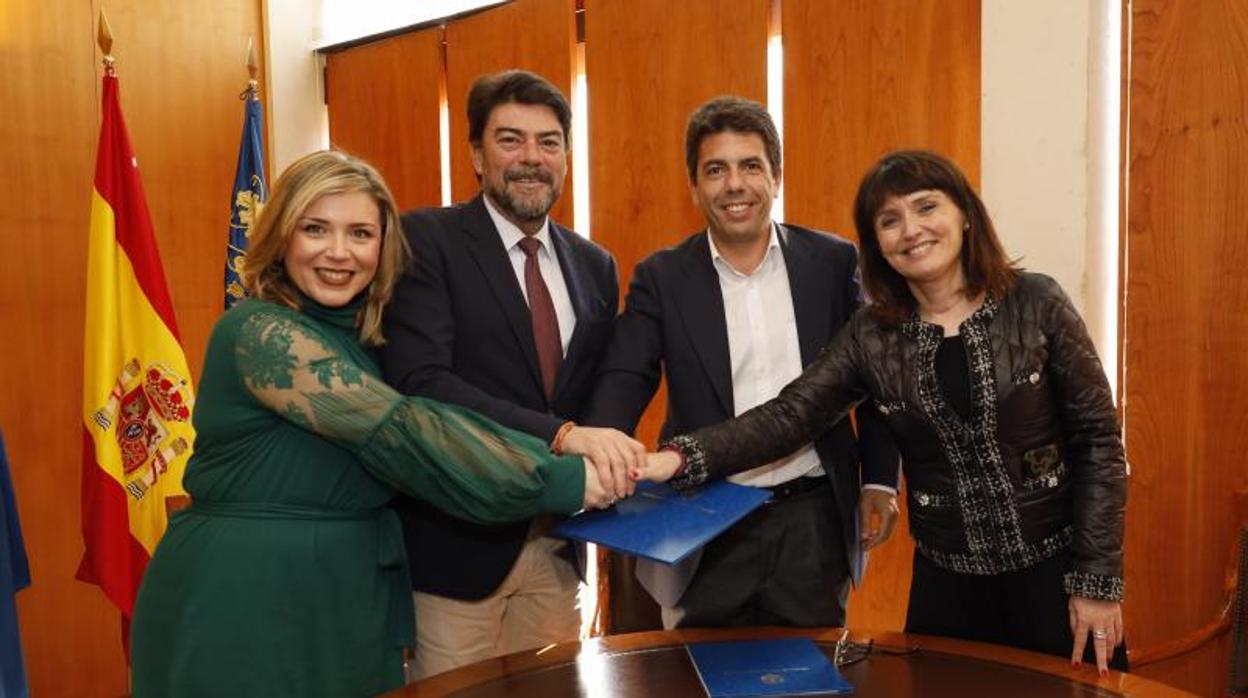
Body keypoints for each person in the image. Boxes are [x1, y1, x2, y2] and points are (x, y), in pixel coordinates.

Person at [130, 150, 613, 697]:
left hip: (347, 592)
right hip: (250, 594)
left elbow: (442, 411)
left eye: (361, 233)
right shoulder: (260, 332)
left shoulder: (363, 341)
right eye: (315, 229)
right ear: (281, 235)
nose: (339, 252)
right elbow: (405, 433)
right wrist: (569, 478)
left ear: (384, 248)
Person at [638, 150, 1128, 676]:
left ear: (964, 212)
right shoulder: (873, 336)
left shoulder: (1037, 302)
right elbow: (789, 416)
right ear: (878, 245)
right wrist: (679, 458)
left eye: (925, 207)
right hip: (947, 589)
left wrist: (1096, 581)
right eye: (890, 221)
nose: (911, 230)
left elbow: (1098, 441)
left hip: (1055, 578)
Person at [584, 96, 900, 629]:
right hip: (705, 523)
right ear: (694, 188)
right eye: (716, 170)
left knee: (809, 679)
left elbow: (873, 379)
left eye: (750, 166)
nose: (735, 185)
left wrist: (881, 479)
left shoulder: (832, 262)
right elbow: (622, 381)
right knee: (698, 678)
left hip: (813, 518)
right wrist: (595, 453)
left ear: (775, 177)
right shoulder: (662, 277)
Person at [379, 69, 640, 678]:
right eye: (510, 140)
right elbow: (423, 383)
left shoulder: (595, 265)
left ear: (567, 157)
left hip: (555, 548)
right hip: (455, 555)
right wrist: (563, 435)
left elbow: (599, 390)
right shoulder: (425, 240)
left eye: (548, 142)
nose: (531, 158)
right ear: (475, 154)